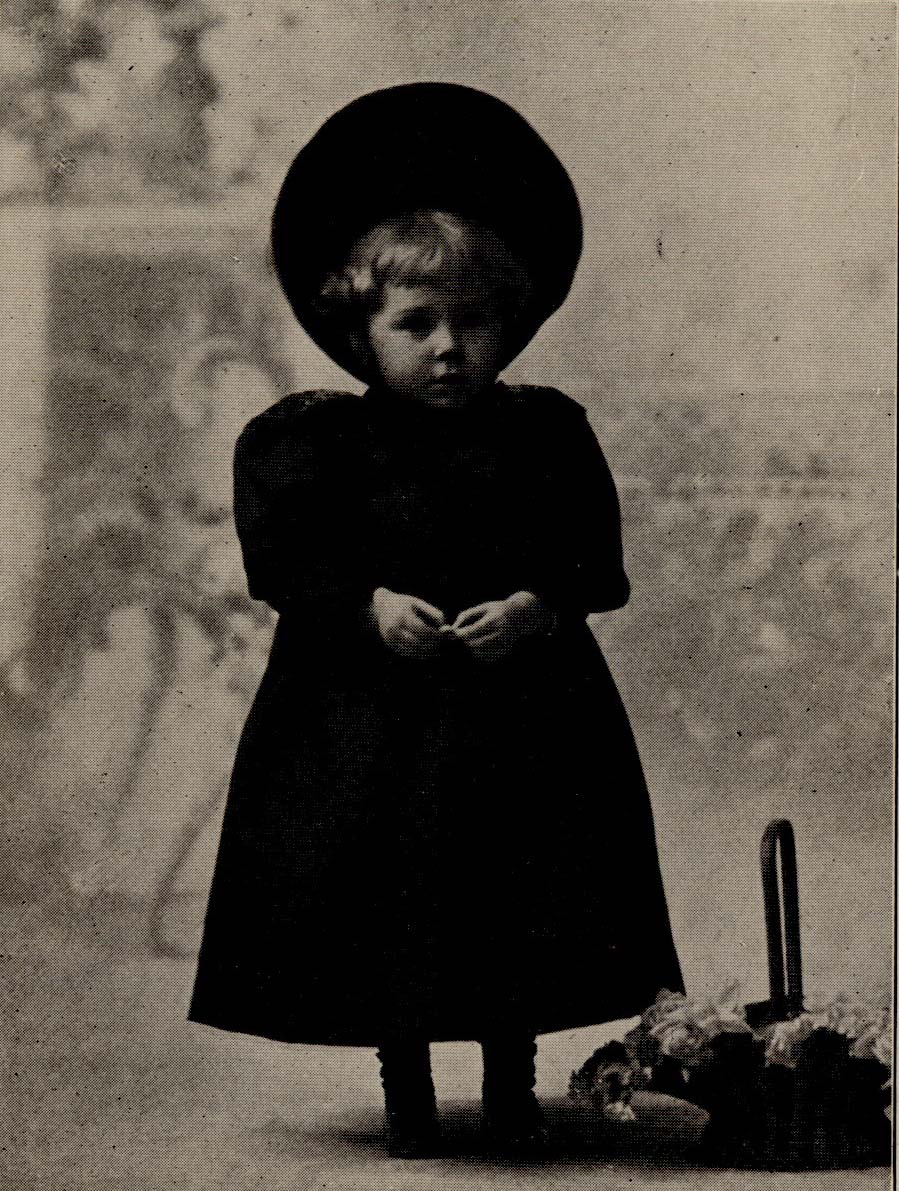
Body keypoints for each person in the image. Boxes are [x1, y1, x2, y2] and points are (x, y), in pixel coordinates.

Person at [188, 82, 684, 1160]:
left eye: (474, 321)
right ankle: (405, 1085)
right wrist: (364, 605)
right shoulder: (313, 443)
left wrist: (535, 607)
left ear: (511, 321)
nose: (450, 347)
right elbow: (286, 563)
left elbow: (590, 560)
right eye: (416, 324)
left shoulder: (544, 433)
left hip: (521, 717)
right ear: (359, 332)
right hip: (372, 719)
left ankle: (511, 1083)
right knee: (392, 897)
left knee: (509, 889)